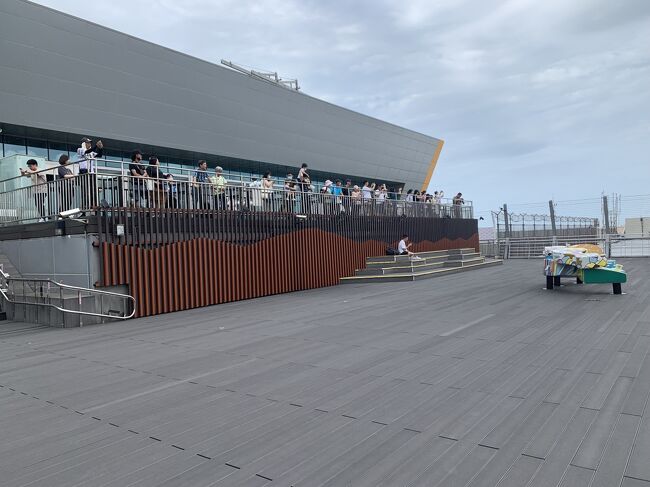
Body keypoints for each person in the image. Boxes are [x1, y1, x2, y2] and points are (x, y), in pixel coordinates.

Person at [77, 137, 103, 209]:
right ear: (83, 143)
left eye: (90, 143)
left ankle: (93, 204)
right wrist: (96, 146)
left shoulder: (91, 152)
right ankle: (86, 205)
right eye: (87, 143)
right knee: (85, 190)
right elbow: (86, 152)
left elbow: (99, 155)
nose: (89, 144)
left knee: (93, 189)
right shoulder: (80, 150)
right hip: (84, 172)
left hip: (91, 172)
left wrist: (100, 148)